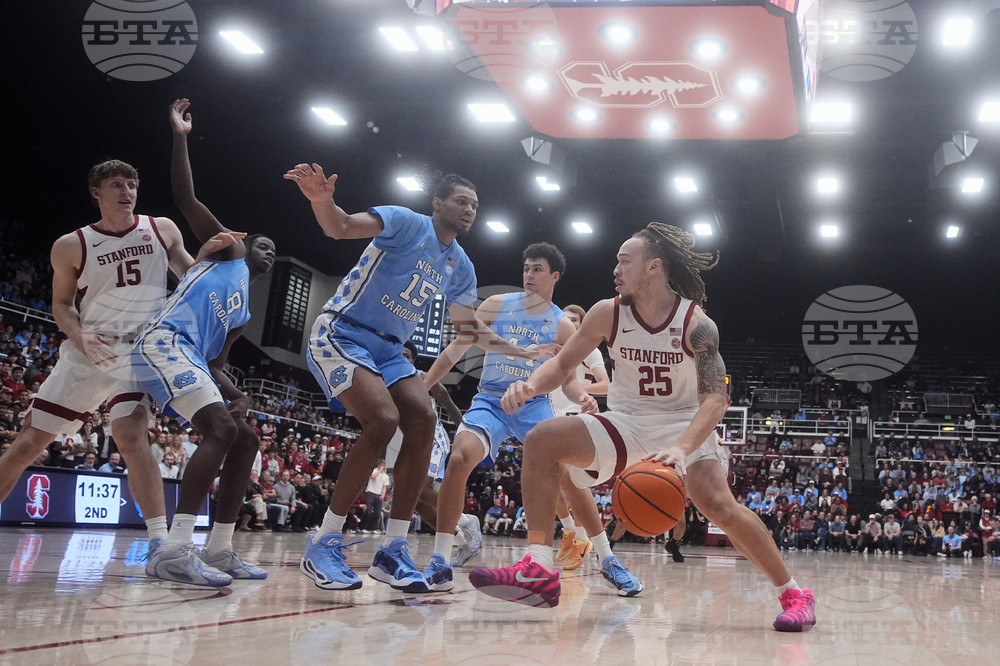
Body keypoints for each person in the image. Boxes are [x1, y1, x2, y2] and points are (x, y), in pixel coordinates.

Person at [470, 223, 816, 632]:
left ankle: (794, 593)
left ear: (653, 267)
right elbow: (563, 365)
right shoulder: (606, 312)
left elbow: (715, 401)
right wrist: (529, 386)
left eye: (623, 261)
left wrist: (683, 448)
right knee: (543, 439)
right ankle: (539, 569)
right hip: (627, 420)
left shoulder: (695, 323)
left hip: (684, 422)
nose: (615, 269)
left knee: (720, 507)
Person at [284, 162, 547, 592]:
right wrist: (322, 200)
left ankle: (393, 550)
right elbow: (341, 226)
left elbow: (468, 330)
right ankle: (323, 541)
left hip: (389, 350)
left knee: (424, 419)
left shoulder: (461, 265)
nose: (469, 210)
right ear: (437, 203)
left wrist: (521, 351)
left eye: (475, 206)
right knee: (384, 420)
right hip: (343, 331)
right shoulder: (406, 223)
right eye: (461, 201)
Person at [0, 156, 197, 569]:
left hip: (138, 351)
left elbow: (193, 279)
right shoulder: (71, 244)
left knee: (129, 431)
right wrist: (80, 336)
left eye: (132, 184)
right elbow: (60, 304)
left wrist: (223, 262)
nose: (127, 192)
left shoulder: (161, 228)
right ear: (97, 193)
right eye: (117, 185)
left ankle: (161, 544)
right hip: (89, 349)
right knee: (28, 444)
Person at [138, 99, 275, 586]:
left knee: (246, 438)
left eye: (273, 253)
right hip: (163, 342)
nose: (268, 253)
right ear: (245, 244)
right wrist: (180, 136)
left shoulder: (242, 312)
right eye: (263, 245)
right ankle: (174, 549)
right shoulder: (228, 254)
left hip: (190, 358)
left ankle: (219, 549)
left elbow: (216, 365)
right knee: (219, 429)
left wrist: (239, 395)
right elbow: (186, 198)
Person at [418, 243, 600, 591]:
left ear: (554, 277)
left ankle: (601, 552)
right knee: (458, 457)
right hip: (491, 399)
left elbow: (571, 383)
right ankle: (440, 560)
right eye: (526, 268)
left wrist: (585, 398)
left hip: (534, 404)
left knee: (567, 475)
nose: (529, 275)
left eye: (537, 270)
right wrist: (426, 382)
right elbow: (458, 346)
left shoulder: (563, 324)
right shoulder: (497, 304)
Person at [400, 340, 482, 569]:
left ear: (413, 360)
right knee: (418, 504)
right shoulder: (387, 377)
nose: (403, 358)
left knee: (421, 488)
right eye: (400, 354)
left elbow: (448, 403)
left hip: (433, 437)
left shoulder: (422, 377)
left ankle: (466, 521)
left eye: (407, 355)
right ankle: (463, 541)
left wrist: (464, 434)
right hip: (409, 440)